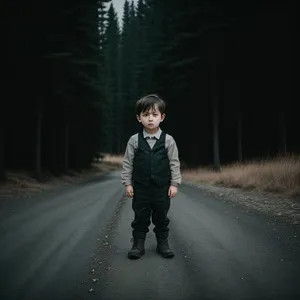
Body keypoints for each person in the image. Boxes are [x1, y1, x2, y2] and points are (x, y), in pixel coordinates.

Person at [121, 94, 181, 259]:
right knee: (140, 216)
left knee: (161, 216)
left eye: (154, 115)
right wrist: (128, 184)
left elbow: (174, 163)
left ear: (162, 117)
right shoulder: (134, 140)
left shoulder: (168, 141)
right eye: (145, 115)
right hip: (141, 188)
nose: (150, 119)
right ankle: (138, 244)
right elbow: (128, 163)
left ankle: (163, 243)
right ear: (139, 118)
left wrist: (174, 184)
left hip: (162, 188)